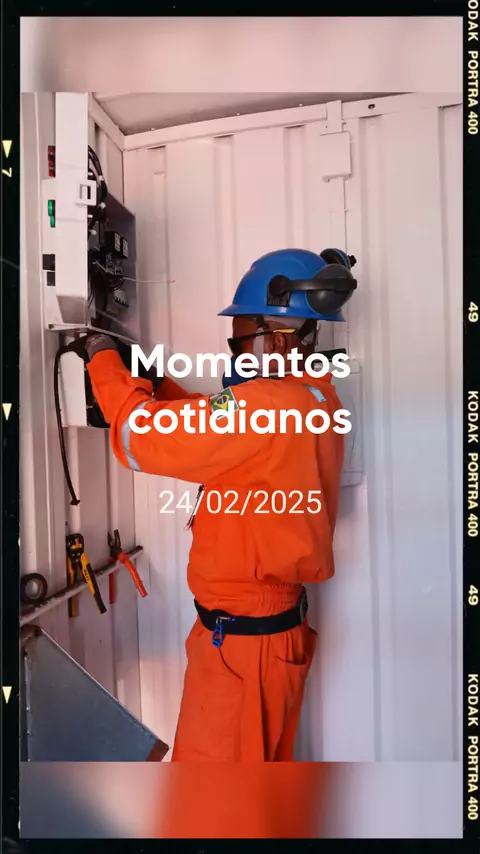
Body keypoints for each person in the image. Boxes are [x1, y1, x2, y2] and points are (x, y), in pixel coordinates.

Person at [78, 247, 357, 762]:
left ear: (276, 336)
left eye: (239, 338)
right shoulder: (312, 396)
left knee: (216, 802)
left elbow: (142, 437)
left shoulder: (264, 406)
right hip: (268, 637)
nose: (234, 352)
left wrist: (102, 358)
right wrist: (155, 382)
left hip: (245, 649)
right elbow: (213, 423)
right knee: (255, 797)